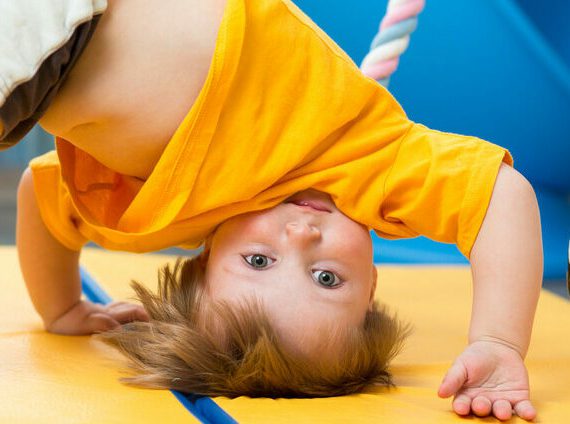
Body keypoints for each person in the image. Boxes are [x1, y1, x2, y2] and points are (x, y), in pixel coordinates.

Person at [12, 0, 541, 420]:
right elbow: (502, 197)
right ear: (370, 284)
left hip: (42, 53)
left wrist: (60, 307)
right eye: (328, 277)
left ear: (206, 260)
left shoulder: (152, 215)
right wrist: (497, 339)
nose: (300, 235)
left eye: (258, 261)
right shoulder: (371, 163)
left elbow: (42, 198)